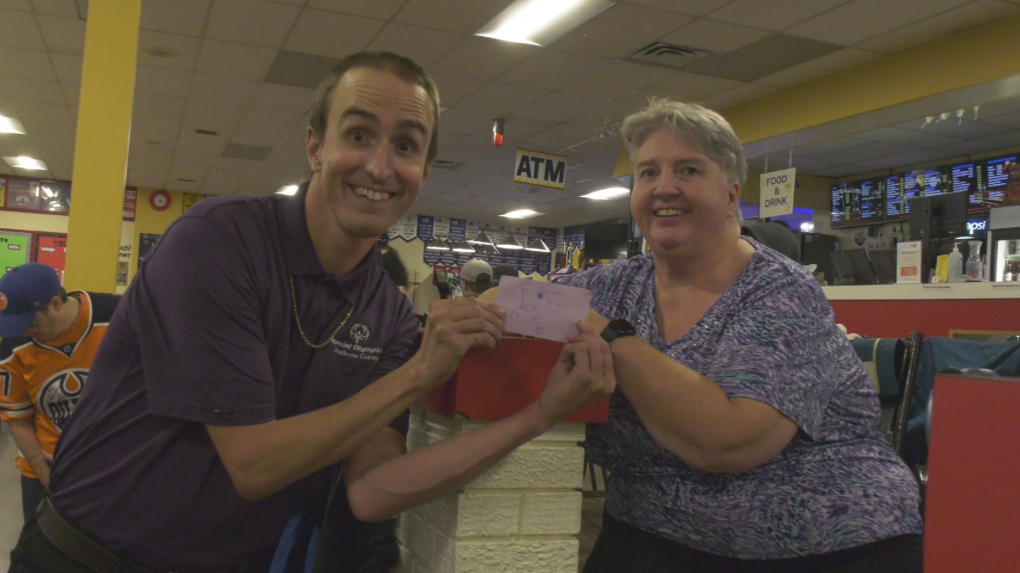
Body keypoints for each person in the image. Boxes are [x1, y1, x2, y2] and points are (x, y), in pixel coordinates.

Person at [10, 51, 615, 573]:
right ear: (314, 146)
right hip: (84, 557)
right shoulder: (217, 242)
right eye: (358, 134)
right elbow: (252, 464)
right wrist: (419, 373)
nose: (380, 165)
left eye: (405, 145)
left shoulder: (390, 319)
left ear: (424, 172)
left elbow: (375, 491)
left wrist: (539, 415)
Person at [556, 98, 923, 573]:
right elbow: (508, 304)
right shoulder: (612, 285)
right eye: (648, 173)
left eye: (688, 170)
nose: (664, 188)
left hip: (826, 543)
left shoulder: (783, 291)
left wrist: (612, 335)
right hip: (652, 529)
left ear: (731, 196)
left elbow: (728, 442)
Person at [0, 263, 119, 524]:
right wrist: (48, 482)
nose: (23, 333)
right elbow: (18, 418)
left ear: (55, 303)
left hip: (113, 467)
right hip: (46, 467)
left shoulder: (117, 315)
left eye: (29, 323)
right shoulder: (13, 342)